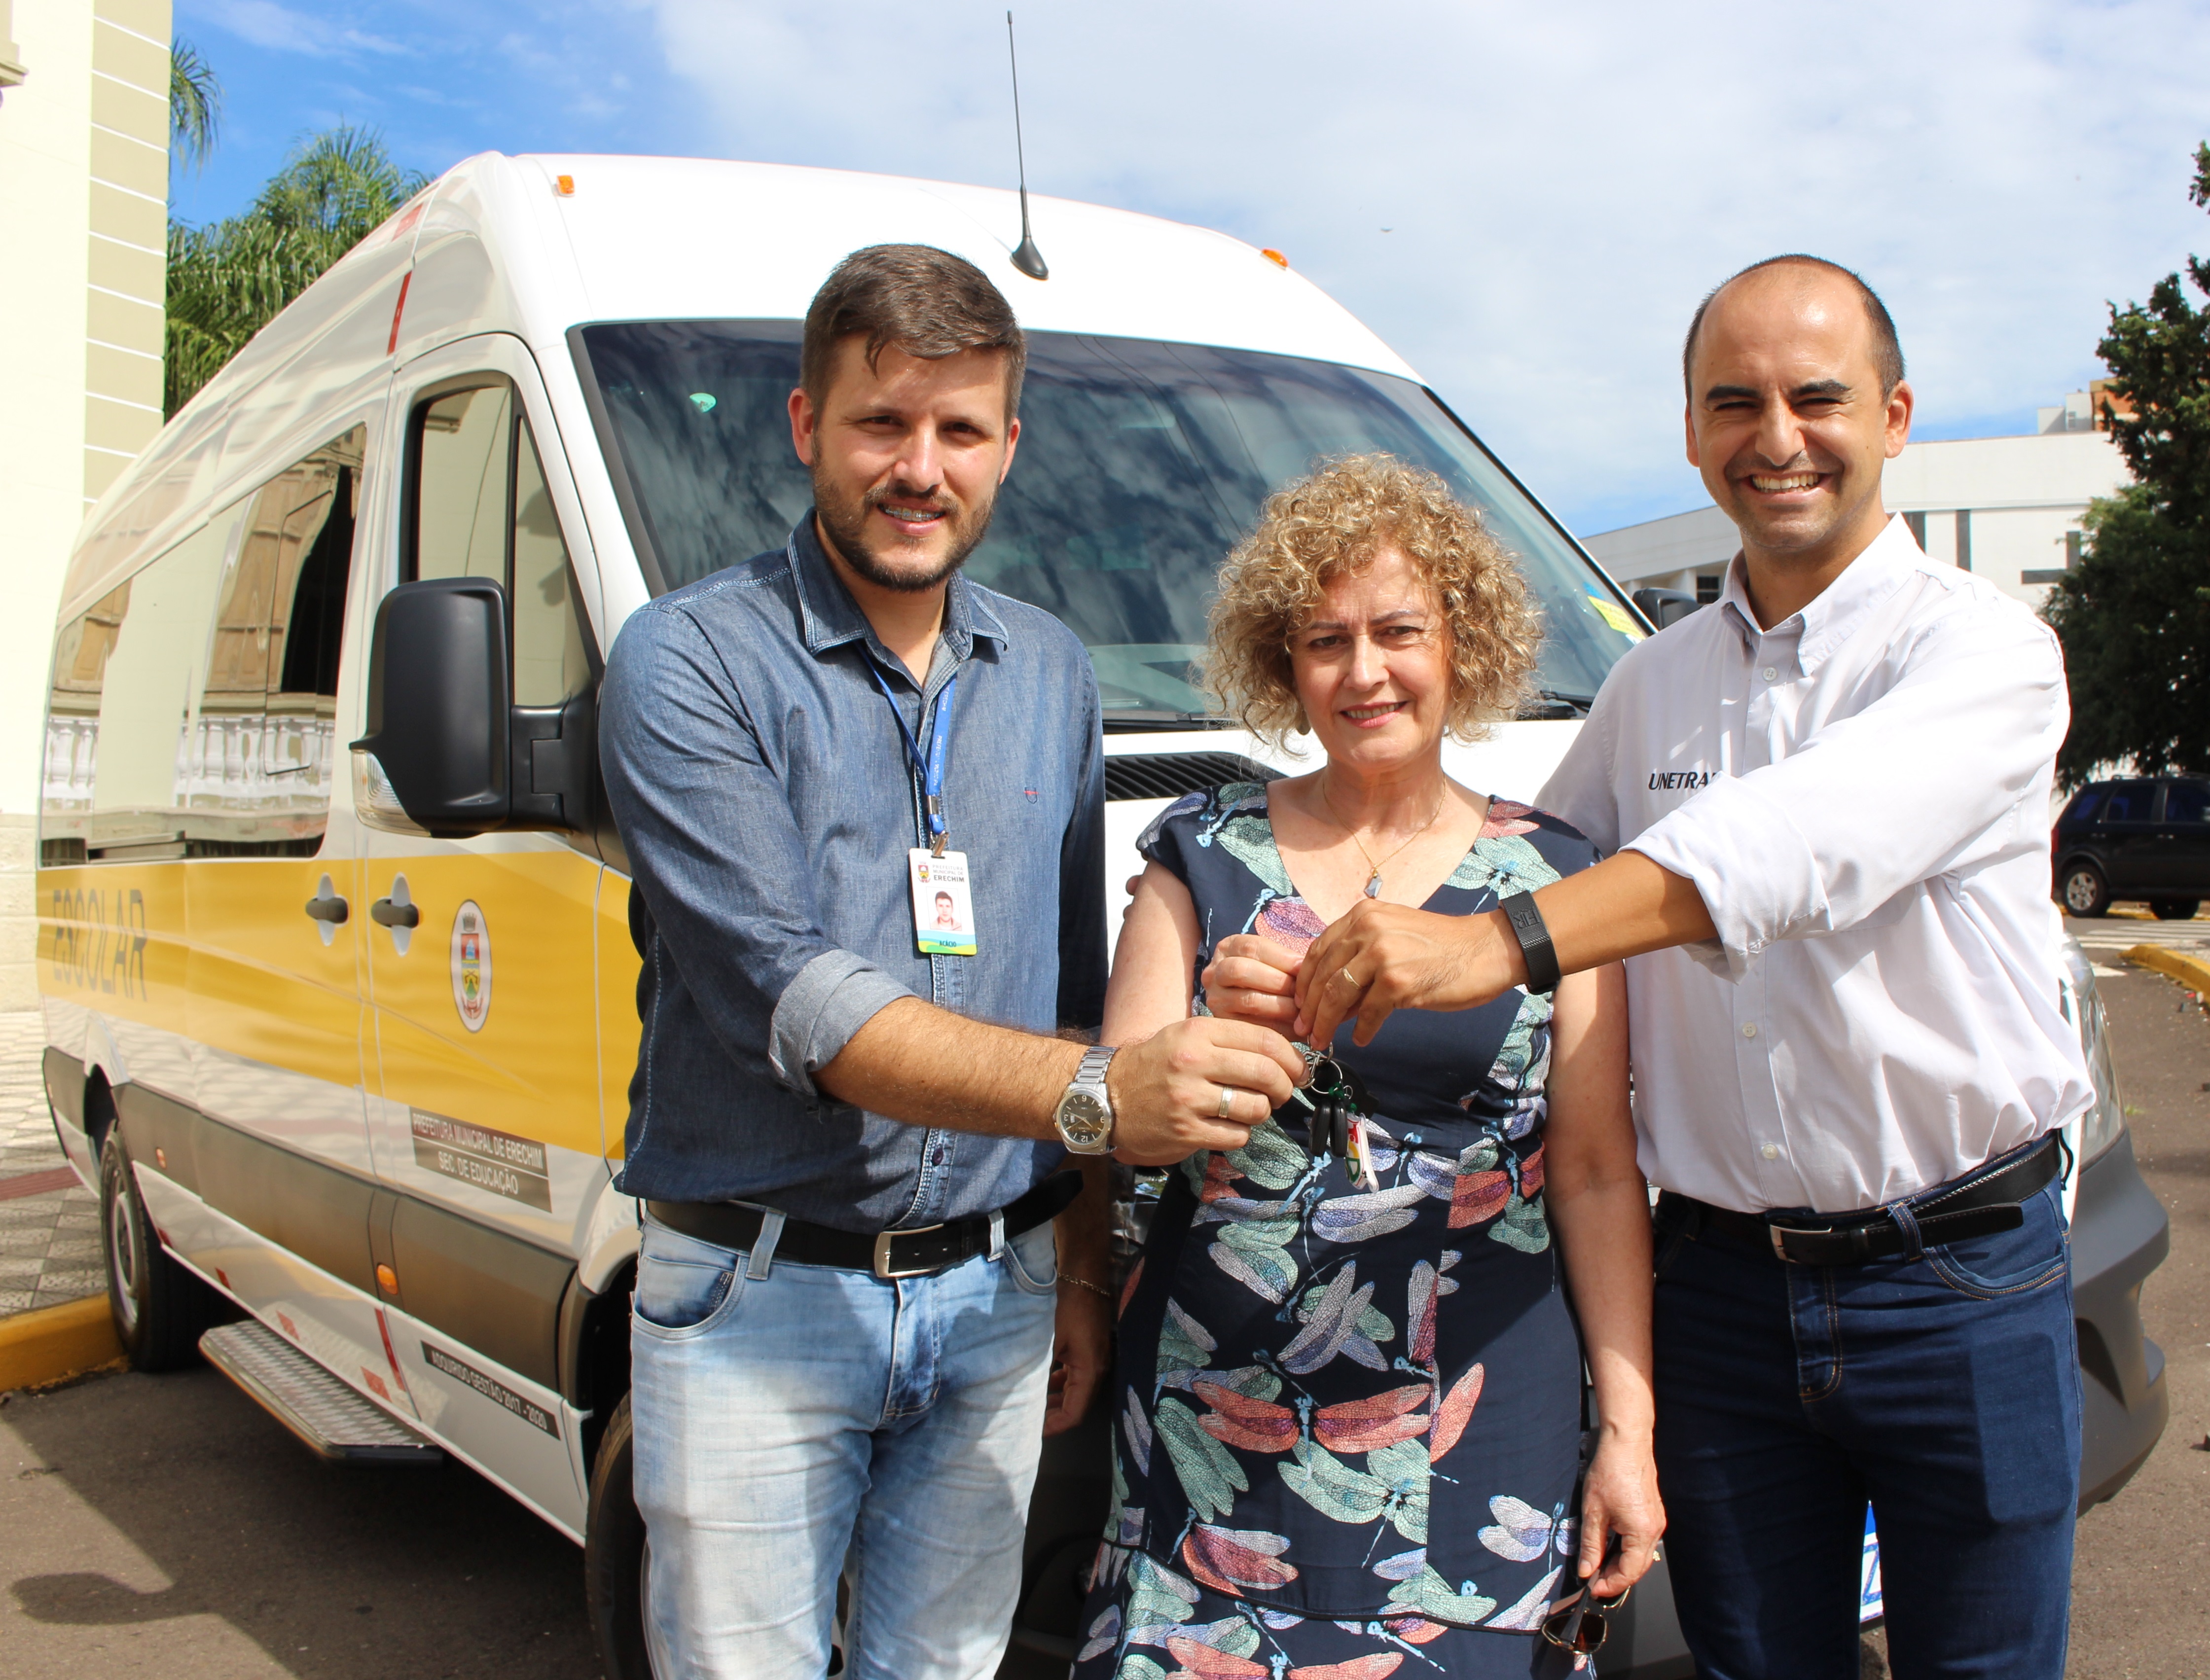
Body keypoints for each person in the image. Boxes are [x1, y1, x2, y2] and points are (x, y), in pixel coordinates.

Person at [1218, 258, 2091, 1679]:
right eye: (1734, 403)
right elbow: (1510, 867)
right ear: (1691, 433)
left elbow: (1782, 846)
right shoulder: (1651, 684)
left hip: (1958, 1284)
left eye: (1817, 398)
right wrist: (1287, 947)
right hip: (1722, 1298)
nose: (1777, 436)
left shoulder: (1984, 650)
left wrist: (1489, 947)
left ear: (1895, 416)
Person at [597, 244, 1307, 1680]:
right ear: (807, 427)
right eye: (882, 423)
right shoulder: (687, 659)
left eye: (959, 430)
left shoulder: (1049, 668)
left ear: (1008, 447)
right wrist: (1105, 1098)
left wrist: (1082, 1273)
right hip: (759, 1298)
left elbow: (1070, 991)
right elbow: (795, 997)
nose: (919, 469)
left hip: (999, 1299)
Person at [1075, 455, 1662, 1680]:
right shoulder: (1200, 850)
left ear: (1462, 644)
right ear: (1283, 664)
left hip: (1486, 1414)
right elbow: (1119, 1120)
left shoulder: (1558, 877)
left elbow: (1598, 1173)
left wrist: (1629, 1430)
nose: (1365, 672)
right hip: (1219, 1415)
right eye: (1325, 641)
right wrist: (1208, 1045)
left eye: (1399, 632)